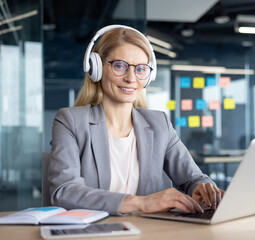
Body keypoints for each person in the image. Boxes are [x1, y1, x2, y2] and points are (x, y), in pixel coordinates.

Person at [48, 25, 224, 216]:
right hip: (96, 232)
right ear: (96, 67)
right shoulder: (71, 121)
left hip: (151, 232)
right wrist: (141, 203)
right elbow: (64, 191)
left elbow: (193, 179)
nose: (131, 78)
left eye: (140, 69)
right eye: (119, 66)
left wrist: (203, 188)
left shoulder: (160, 124)